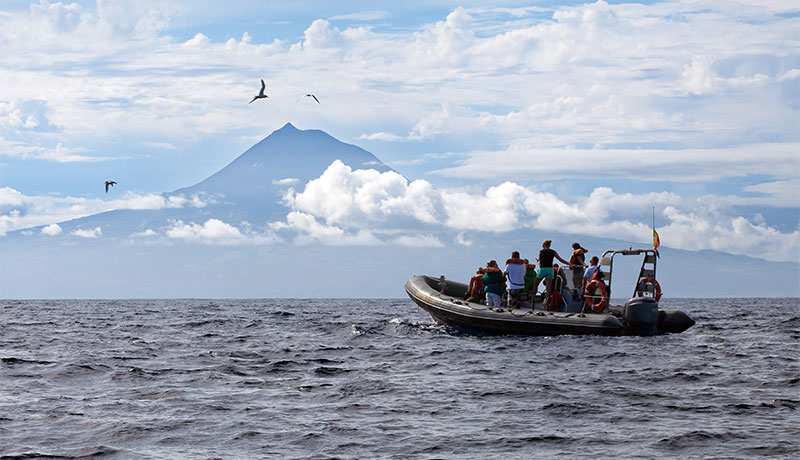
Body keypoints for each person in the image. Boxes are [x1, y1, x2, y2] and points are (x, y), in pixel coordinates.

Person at [532, 240, 570, 306]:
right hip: (550, 269)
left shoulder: (541, 251)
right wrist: (569, 264)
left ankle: (532, 299)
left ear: (543, 245)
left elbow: (540, 262)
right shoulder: (553, 252)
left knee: (535, 284)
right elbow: (560, 259)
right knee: (548, 288)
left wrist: (538, 261)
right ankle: (546, 302)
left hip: (542, 269)